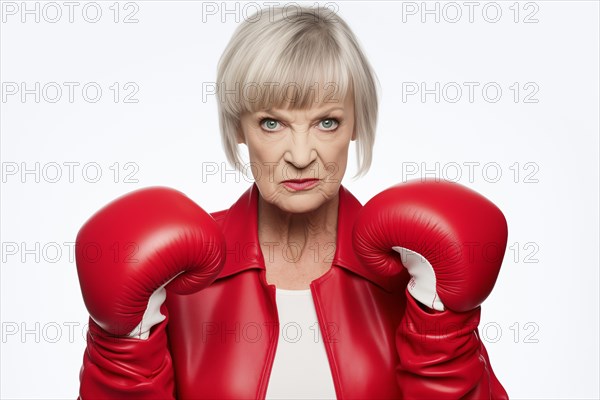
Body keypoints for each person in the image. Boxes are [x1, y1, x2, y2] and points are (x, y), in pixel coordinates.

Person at [75, 5, 509, 399]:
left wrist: (442, 330)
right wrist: (121, 350)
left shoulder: (416, 273)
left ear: (356, 124)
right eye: (271, 123)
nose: (301, 156)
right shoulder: (172, 276)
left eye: (326, 121)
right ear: (239, 128)